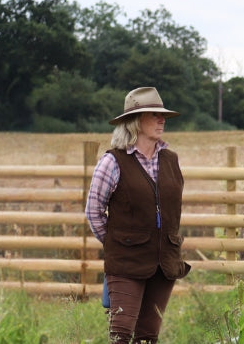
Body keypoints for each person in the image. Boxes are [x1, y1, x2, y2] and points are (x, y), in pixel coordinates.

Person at [85, 86, 191, 344]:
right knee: (120, 335)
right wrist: (118, 243)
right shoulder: (112, 162)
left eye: (162, 114)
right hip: (126, 264)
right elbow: (94, 211)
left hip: (164, 263)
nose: (161, 119)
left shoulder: (170, 160)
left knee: (147, 337)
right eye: (153, 114)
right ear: (135, 121)